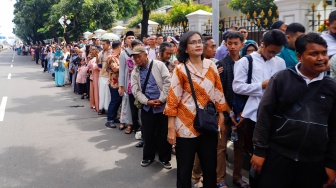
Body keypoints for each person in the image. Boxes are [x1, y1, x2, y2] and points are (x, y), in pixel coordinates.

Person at [251, 32, 336, 188]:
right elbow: (264, 115)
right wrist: (259, 151)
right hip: (279, 156)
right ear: (299, 56)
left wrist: (331, 164)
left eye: (324, 53)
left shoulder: (331, 87)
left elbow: (334, 128)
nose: (321, 58)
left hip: (314, 162)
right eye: (314, 54)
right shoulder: (281, 79)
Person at [164, 31, 226, 188]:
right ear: (185, 48)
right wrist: (171, 128)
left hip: (208, 124)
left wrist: (221, 115)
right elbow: (172, 100)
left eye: (200, 41)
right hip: (185, 127)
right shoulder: (181, 70)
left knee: (210, 169)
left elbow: (218, 93)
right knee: (184, 171)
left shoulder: (212, 65)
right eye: (193, 42)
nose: (198, 44)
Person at [232, 29, 287, 162]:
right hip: (253, 114)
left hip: (274, 113)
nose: (273, 55)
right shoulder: (245, 61)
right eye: (271, 51)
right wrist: (261, 85)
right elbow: (237, 87)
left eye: (277, 52)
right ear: (262, 44)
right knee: (256, 153)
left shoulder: (280, 62)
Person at [131, 46, 172, 169]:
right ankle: (148, 157)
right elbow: (135, 90)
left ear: (145, 55)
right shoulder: (135, 72)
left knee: (163, 133)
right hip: (147, 107)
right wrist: (147, 102)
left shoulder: (159, 65)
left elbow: (167, 82)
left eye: (139, 56)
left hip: (162, 105)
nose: (137, 60)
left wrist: (161, 99)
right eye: (134, 57)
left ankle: (165, 159)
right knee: (147, 133)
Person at [119, 31, 140, 134]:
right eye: (129, 38)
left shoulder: (140, 52)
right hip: (128, 82)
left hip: (139, 82)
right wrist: (121, 85)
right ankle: (130, 124)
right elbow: (122, 71)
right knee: (128, 104)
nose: (131, 39)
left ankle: (138, 126)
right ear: (125, 41)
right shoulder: (124, 53)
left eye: (133, 37)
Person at [105, 40, 123, 128]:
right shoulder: (111, 57)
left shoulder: (119, 57)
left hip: (119, 82)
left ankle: (114, 116)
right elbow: (115, 69)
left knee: (118, 100)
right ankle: (109, 120)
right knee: (114, 101)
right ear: (119, 47)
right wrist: (125, 65)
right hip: (114, 82)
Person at [98, 39, 112, 115]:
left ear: (108, 44)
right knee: (101, 92)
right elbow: (98, 63)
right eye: (102, 44)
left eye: (104, 44)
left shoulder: (112, 52)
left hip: (108, 75)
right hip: (101, 74)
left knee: (107, 93)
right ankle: (101, 108)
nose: (102, 46)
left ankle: (107, 108)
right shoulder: (101, 52)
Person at [87, 46, 100, 111]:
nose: (93, 51)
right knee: (93, 91)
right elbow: (88, 66)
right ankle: (93, 104)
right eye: (92, 49)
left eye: (94, 49)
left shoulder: (99, 58)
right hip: (93, 76)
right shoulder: (90, 58)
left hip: (99, 76)